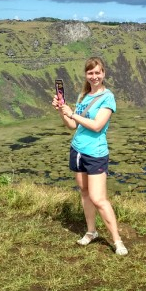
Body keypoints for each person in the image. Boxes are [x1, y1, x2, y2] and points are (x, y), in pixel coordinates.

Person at [52, 57, 128, 256]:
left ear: (104, 73)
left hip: (95, 153)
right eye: (90, 73)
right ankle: (91, 231)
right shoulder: (83, 95)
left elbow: (96, 126)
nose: (94, 76)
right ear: (86, 75)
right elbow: (72, 126)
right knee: (84, 192)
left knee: (98, 198)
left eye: (97, 73)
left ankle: (117, 241)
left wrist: (72, 114)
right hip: (77, 150)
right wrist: (62, 110)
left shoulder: (107, 98)